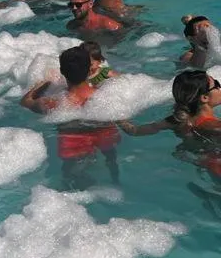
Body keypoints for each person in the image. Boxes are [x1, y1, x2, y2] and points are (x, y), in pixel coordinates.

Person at [21, 45, 120, 184]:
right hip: (105, 131)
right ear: (89, 69)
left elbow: (25, 102)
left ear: (62, 71)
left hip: (73, 140)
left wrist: (43, 84)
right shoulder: (104, 96)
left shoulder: (55, 103)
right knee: (111, 160)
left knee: (72, 175)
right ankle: (115, 181)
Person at [119, 70, 221, 139]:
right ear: (204, 98)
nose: (220, 88)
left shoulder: (176, 121)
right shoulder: (210, 125)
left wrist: (118, 117)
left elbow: (134, 131)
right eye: (216, 84)